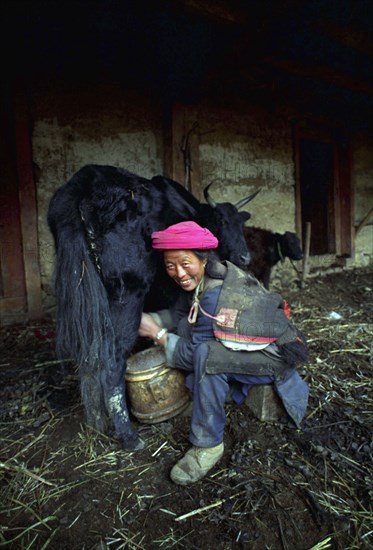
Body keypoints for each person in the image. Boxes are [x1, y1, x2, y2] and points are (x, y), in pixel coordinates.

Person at [139, 221, 309, 486]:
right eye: (170, 265)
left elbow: (193, 353)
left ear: (203, 259)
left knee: (207, 356)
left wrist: (156, 334)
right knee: (203, 347)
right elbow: (182, 314)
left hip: (274, 358)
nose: (179, 272)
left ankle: (208, 446)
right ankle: (217, 396)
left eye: (185, 263)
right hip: (248, 349)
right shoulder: (203, 280)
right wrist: (150, 318)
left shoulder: (215, 295)